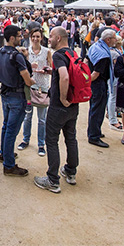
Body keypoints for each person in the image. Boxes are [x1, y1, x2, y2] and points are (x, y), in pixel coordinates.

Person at [33, 27, 79, 193]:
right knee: (71, 138)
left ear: (59, 38)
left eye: (51, 36)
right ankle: (71, 171)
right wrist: (52, 72)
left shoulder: (58, 55)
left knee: (51, 140)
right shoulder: (72, 53)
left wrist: (61, 97)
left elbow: (65, 76)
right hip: (74, 104)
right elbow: (66, 74)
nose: (48, 38)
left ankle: (53, 180)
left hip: (60, 106)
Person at [0, 25, 35, 177]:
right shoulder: (16, 56)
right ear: (12, 38)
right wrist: (34, 81)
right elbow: (27, 79)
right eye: (19, 36)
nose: (21, 38)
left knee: (6, 127)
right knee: (11, 130)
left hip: (5, 94)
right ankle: (9, 165)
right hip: (17, 97)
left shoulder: (1, 52)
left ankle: (4, 154)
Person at [18, 28, 51, 156]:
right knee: (27, 116)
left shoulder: (47, 51)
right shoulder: (26, 51)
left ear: (41, 38)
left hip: (42, 87)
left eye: (38, 36)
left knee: (42, 119)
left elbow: (52, 68)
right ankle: (26, 140)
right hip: (29, 87)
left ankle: (41, 144)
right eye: (33, 36)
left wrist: (46, 70)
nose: (35, 39)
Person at [87, 29, 117, 148]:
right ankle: (94, 136)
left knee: (94, 108)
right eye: (114, 38)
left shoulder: (95, 46)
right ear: (108, 39)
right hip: (98, 85)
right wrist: (85, 82)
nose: (116, 40)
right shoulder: (103, 55)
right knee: (98, 110)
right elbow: (95, 74)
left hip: (94, 84)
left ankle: (94, 131)